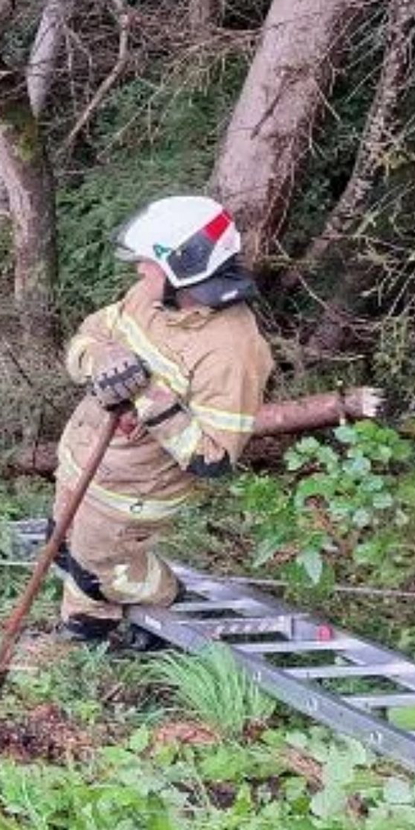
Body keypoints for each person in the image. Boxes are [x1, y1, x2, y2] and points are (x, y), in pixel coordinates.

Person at [53, 196, 274, 648]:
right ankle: (89, 627)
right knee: (61, 548)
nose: (139, 272)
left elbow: (212, 459)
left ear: (186, 270)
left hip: (131, 496)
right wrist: (103, 357)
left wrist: (150, 397)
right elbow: (89, 336)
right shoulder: (147, 300)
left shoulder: (232, 351)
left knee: (97, 572)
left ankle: (166, 596)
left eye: (149, 264)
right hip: (80, 462)